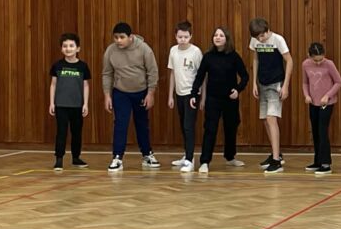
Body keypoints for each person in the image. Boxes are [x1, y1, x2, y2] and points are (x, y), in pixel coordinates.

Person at [102, 22, 160, 172]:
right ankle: (117, 157)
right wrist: (107, 95)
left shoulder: (144, 49)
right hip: (121, 92)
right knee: (120, 124)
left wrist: (150, 93)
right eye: (116, 37)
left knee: (142, 124)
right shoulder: (110, 51)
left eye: (122, 37)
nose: (118, 40)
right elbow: (107, 73)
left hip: (141, 91)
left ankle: (147, 154)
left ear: (131, 37)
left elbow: (152, 72)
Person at [190, 26, 249, 174]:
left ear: (226, 39)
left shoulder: (234, 56)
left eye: (221, 35)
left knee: (231, 128)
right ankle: (205, 161)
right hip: (213, 99)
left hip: (230, 99)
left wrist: (238, 90)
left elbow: (245, 76)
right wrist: (193, 94)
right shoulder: (208, 57)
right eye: (215, 35)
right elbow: (199, 77)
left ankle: (230, 157)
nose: (217, 37)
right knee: (210, 129)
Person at [249, 18, 293, 174]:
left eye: (262, 36)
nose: (260, 39)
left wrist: (285, 85)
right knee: (265, 120)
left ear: (267, 30)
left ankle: (276, 161)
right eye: (257, 37)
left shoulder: (278, 40)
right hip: (262, 82)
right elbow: (255, 59)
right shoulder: (255, 40)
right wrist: (254, 83)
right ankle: (277, 154)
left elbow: (289, 61)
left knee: (271, 118)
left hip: (276, 83)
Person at [48, 32, 91, 171]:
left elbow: (86, 86)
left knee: (76, 132)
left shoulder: (83, 66)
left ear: (78, 48)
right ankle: (59, 159)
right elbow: (53, 84)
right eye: (65, 46)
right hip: (61, 105)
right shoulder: (57, 66)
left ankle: (76, 158)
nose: (68, 48)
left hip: (77, 106)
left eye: (71, 46)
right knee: (61, 132)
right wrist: (52, 103)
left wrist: (85, 104)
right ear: (61, 49)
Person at [167, 20, 203, 172]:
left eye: (186, 37)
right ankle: (187, 154)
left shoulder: (196, 52)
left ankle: (189, 159)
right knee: (183, 125)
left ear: (191, 36)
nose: (183, 40)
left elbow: (202, 76)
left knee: (189, 126)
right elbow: (172, 73)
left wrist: (203, 97)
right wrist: (170, 95)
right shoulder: (173, 51)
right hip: (179, 94)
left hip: (192, 94)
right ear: (175, 36)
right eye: (180, 37)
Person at [302, 42, 341, 175]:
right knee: (315, 131)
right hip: (313, 103)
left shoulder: (329, 64)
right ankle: (318, 161)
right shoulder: (305, 64)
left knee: (322, 131)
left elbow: (339, 82)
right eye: (316, 60)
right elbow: (305, 82)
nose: (319, 63)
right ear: (309, 56)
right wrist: (307, 95)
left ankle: (326, 163)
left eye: (321, 59)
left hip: (327, 103)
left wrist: (327, 95)